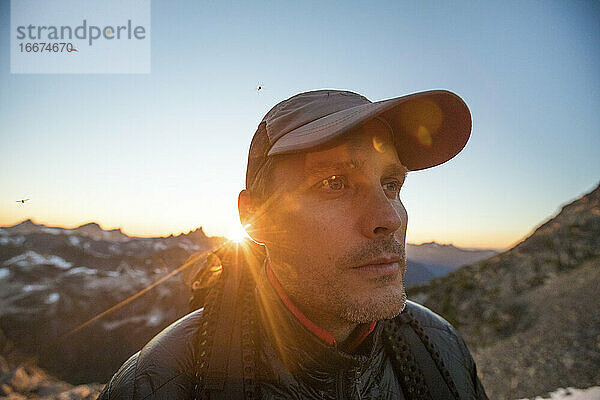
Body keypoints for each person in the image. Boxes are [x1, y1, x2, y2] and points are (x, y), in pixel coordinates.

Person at [98, 89, 489, 399]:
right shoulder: (161, 383)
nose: (388, 219)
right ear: (258, 219)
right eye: (334, 183)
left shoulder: (440, 350)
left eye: (391, 185)